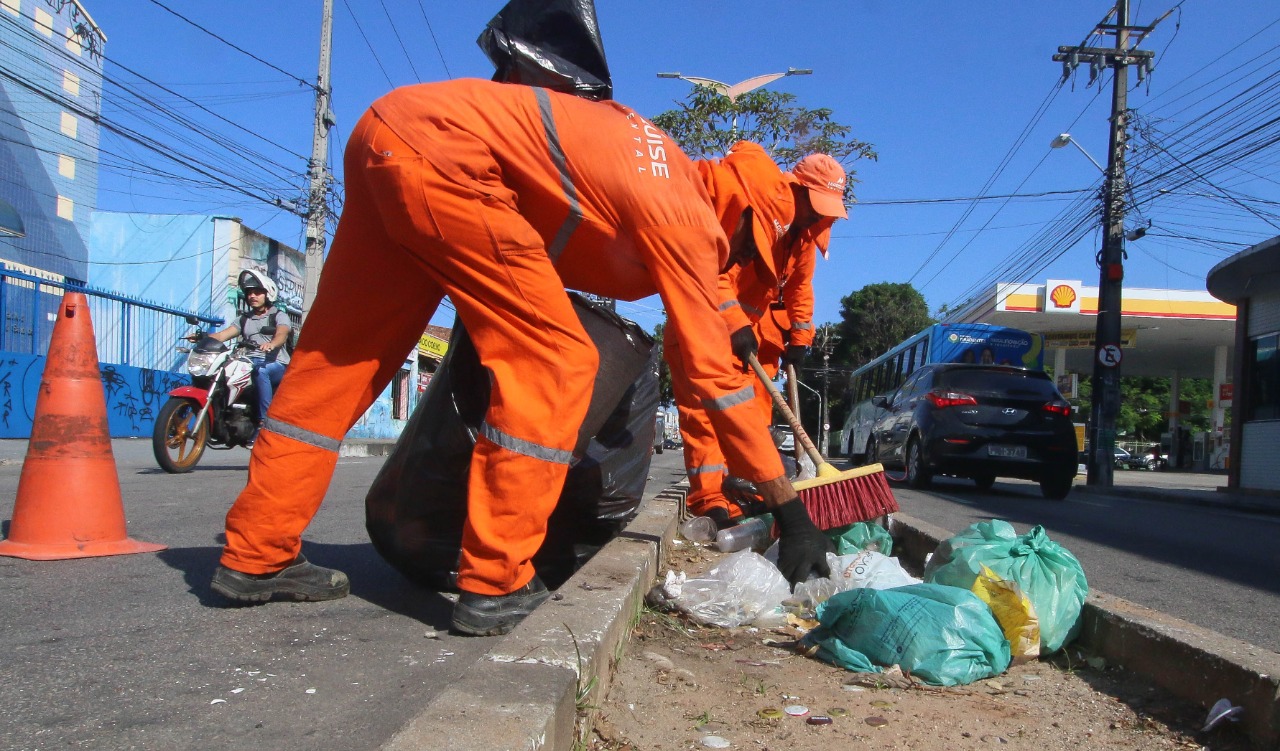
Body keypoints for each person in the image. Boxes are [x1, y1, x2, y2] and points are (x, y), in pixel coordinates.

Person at [208, 79, 832, 636]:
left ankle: (255, 554)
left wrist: (730, 320)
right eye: (751, 247)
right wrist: (788, 508)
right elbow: (714, 378)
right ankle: (495, 580)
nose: (746, 260)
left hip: (389, 131)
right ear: (746, 212)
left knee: (335, 362)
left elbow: (705, 270)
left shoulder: (674, 170)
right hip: (453, 165)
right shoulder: (688, 218)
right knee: (556, 364)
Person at [667, 144, 848, 526]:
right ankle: (710, 499)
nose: (817, 215)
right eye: (815, 205)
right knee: (704, 415)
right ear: (796, 189)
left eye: (824, 210)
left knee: (751, 417)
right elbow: (715, 275)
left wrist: (800, 338)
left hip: (753, 339)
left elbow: (801, 288)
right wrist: (734, 323)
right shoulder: (756, 215)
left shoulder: (803, 237)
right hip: (705, 325)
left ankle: (746, 488)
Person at [207, 268, 291, 441]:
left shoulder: (278, 315)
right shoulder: (244, 319)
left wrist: (272, 344)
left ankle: (264, 422)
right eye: (250, 293)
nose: (252, 296)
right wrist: (203, 339)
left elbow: (282, 334)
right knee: (222, 374)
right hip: (248, 362)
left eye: (257, 292)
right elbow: (223, 334)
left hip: (276, 364)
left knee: (261, 371)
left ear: (268, 294)